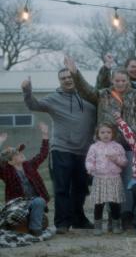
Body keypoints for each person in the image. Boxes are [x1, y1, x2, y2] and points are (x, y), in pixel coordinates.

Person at [64, 56, 136, 229]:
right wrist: (75, 73)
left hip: (129, 145)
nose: (120, 83)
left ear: (128, 80)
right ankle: (111, 216)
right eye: (117, 80)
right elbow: (84, 90)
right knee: (107, 182)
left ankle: (125, 215)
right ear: (112, 80)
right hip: (106, 146)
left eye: (123, 80)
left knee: (129, 181)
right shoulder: (102, 94)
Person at [22, 69, 96, 234]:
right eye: (63, 78)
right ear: (59, 80)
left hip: (85, 150)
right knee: (62, 187)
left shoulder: (88, 96)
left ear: (75, 78)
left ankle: (78, 219)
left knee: (80, 188)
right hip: (62, 149)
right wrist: (27, 91)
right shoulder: (53, 98)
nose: (67, 80)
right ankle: (62, 223)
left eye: (70, 77)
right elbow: (34, 105)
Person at [0, 123, 50, 236]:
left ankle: (35, 229)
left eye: (20, 152)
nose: (21, 154)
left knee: (39, 201)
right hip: (17, 204)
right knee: (15, 221)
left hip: (33, 202)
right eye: (16, 154)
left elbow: (43, 154)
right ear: (10, 162)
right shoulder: (6, 172)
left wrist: (45, 134)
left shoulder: (30, 165)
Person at [85, 122, 128, 236]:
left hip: (114, 179)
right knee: (99, 204)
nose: (106, 134)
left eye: (108, 132)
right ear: (98, 134)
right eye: (102, 132)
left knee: (115, 204)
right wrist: (90, 168)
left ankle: (116, 225)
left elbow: (124, 162)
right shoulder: (94, 147)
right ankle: (98, 226)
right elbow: (89, 160)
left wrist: (116, 159)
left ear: (113, 134)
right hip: (99, 178)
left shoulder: (117, 147)